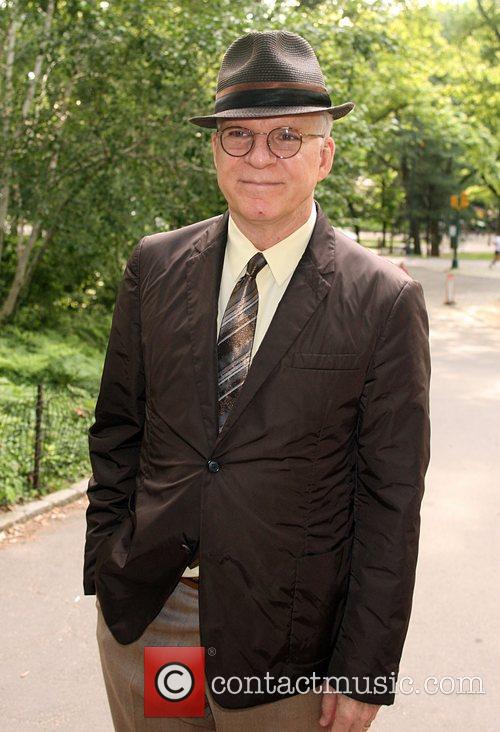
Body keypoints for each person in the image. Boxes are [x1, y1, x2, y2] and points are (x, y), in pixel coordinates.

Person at [84, 30, 431, 731]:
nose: (259, 158)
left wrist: (364, 668)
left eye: (287, 137)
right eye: (238, 135)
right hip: (157, 617)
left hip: (291, 641)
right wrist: (107, 566)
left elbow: (390, 503)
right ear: (214, 150)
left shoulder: (383, 297)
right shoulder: (154, 265)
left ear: (324, 155)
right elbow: (119, 428)